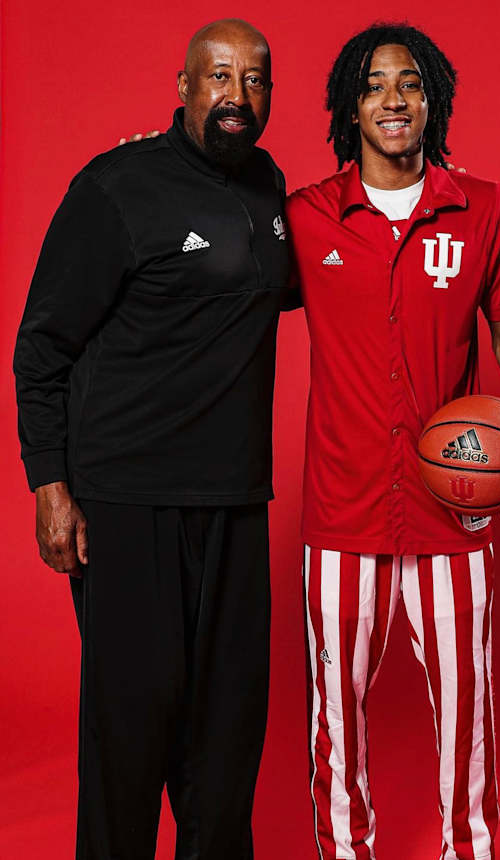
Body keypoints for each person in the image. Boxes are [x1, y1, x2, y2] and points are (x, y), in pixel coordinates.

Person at [283, 23, 500, 860]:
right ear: (350, 105)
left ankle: (467, 850)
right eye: (373, 85)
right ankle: (346, 850)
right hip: (342, 510)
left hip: (455, 507)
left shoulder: (482, 207)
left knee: (465, 704)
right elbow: (222, 282)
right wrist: (157, 161)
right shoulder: (305, 217)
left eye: (409, 83)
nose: (393, 99)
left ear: (432, 98)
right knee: (335, 709)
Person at [13, 19, 289, 860]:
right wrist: (50, 485)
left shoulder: (271, 189)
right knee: (129, 741)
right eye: (218, 77)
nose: (235, 96)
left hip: (237, 503)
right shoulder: (116, 186)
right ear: (182, 87)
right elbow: (42, 343)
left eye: (253, 80)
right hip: (127, 505)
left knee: (227, 745)